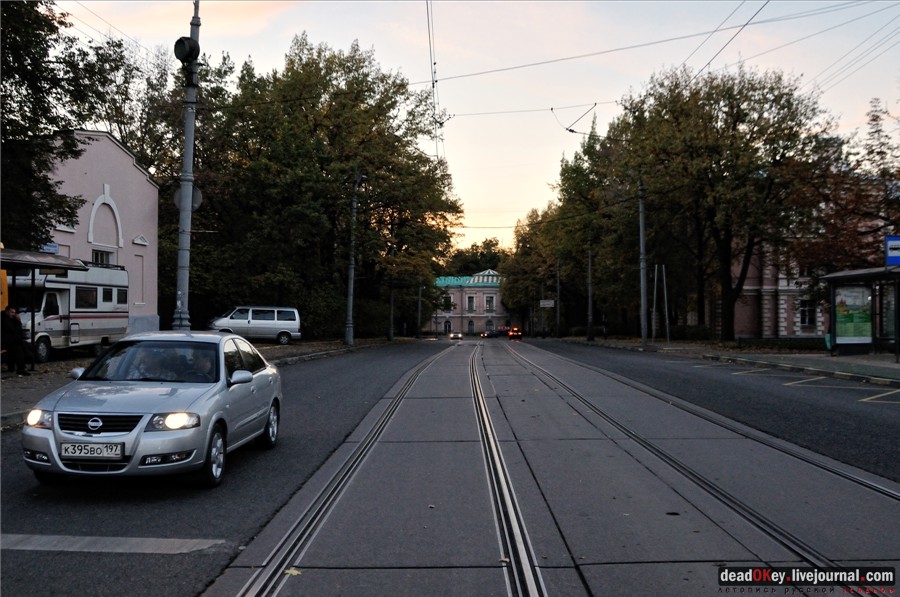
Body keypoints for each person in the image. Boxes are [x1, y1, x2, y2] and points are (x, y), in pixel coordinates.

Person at [1, 305, 30, 376]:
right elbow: (12, 329)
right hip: (4, 340)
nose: (13, 314)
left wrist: (18, 321)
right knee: (19, 347)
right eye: (11, 312)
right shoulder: (3, 318)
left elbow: (18, 330)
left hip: (12, 341)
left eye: (14, 312)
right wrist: (17, 322)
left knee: (20, 345)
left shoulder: (13, 319)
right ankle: (21, 369)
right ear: (7, 311)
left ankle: (19, 368)